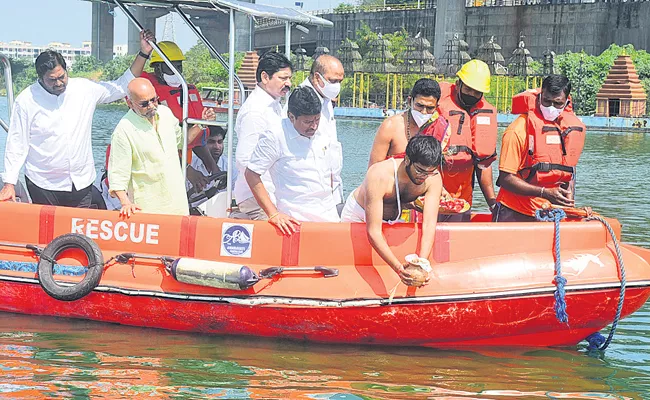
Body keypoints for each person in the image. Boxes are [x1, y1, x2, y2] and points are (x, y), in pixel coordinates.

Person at [0, 30, 155, 207]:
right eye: (52, 80)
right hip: (43, 183)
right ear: (40, 78)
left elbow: (121, 86)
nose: (58, 83)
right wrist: (9, 184)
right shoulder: (26, 100)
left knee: (79, 233)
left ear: (66, 70)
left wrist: (143, 53)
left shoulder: (84, 89)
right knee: (52, 233)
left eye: (61, 77)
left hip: (81, 182)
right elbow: (16, 144)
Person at [341, 136, 444, 286]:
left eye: (430, 172)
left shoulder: (433, 178)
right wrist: (399, 269)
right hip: (360, 214)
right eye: (420, 171)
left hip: (393, 217)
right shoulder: (379, 174)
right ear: (407, 160)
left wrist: (422, 264)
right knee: (353, 265)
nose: (424, 177)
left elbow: (429, 224)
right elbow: (374, 231)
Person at [244, 86, 340, 234]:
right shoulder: (274, 136)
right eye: (307, 122)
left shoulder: (323, 132)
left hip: (329, 218)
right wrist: (273, 213)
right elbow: (251, 174)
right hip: (294, 222)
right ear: (291, 117)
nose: (314, 126)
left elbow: (330, 174)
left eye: (317, 119)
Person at [107, 78, 207, 217]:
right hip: (148, 210)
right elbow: (117, 175)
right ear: (129, 103)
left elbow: (182, 141)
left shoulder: (165, 113)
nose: (152, 106)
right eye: (144, 103)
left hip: (179, 206)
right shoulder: (123, 130)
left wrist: (201, 124)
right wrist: (126, 203)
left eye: (154, 100)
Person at [493, 75, 586, 222]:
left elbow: (569, 169)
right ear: (539, 96)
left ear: (566, 102)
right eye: (547, 101)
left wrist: (568, 199)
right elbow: (506, 178)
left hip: (550, 212)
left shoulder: (568, 131)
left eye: (557, 103)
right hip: (515, 211)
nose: (551, 108)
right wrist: (544, 192)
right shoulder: (517, 130)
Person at [141, 41, 217, 192]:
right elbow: (161, 144)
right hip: (157, 176)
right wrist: (189, 171)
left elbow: (195, 140)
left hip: (179, 170)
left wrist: (214, 168)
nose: (176, 71)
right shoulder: (149, 99)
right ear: (157, 69)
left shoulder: (187, 91)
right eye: (170, 67)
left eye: (178, 66)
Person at [234, 51, 293, 220]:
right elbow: (245, 161)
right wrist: (270, 209)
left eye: (289, 78)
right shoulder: (255, 112)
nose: (288, 83)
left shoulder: (273, 105)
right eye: (283, 78)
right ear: (265, 77)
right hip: (258, 198)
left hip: (272, 192)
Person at [437, 60, 498, 221]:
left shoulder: (484, 113)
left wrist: (493, 204)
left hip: (462, 199)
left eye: (476, 92)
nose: (471, 94)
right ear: (458, 84)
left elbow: (484, 164)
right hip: (430, 193)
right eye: (468, 89)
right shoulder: (436, 106)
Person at [298, 54, 345, 209]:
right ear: (317, 78)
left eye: (340, 81)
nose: (337, 86)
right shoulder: (301, 101)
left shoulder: (325, 99)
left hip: (330, 186)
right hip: (308, 190)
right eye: (332, 81)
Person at [368, 78, 450, 165]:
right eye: (419, 105)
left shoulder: (440, 128)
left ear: (436, 107)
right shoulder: (390, 126)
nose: (424, 112)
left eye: (430, 108)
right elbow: (374, 168)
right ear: (410, 101)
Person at [186, 125, 237, 194]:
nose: (217, 147)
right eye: (211, 142)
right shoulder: (190, 165)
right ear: (202, 144)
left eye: (220, 142)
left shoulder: (232, 168)